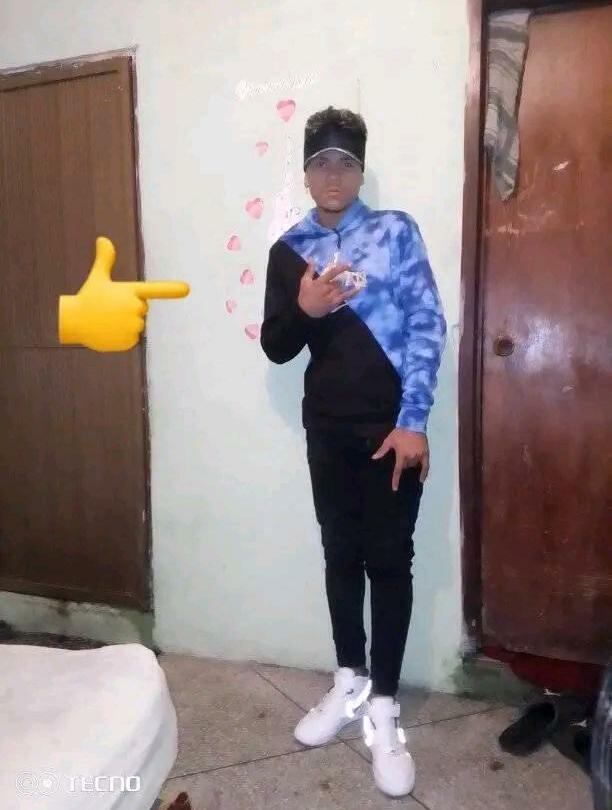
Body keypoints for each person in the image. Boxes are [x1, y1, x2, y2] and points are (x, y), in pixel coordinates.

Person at [260, 106, 446, 798]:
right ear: (306, 174)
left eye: (344, 162)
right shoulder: (290, 250)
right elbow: (276, 345)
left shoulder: (395, 231)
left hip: (392, 432)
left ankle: (385, 708)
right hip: (327, 430)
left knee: (389, 560)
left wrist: (414, 421)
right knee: (340, 553)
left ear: (360, 171)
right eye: (320, 163)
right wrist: (305, 310)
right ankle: (349, 680)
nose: (332, 175)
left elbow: (427, 322)